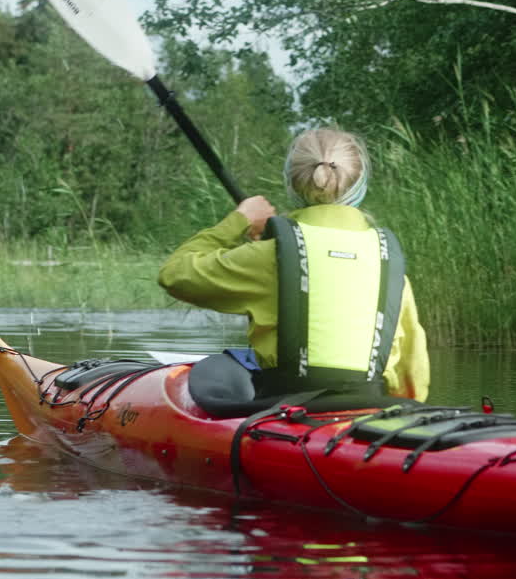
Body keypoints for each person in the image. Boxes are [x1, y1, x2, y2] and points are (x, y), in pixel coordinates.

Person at [158, 126, 429, 402]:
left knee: (219, 368)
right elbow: (413, 371)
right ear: (360, 184)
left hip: (287, 410)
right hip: (369, 412)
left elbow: (174, 274)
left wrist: (240, 220)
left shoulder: (269, 257)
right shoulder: (388, 264)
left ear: (292, 184)